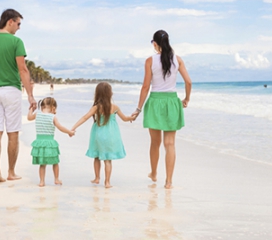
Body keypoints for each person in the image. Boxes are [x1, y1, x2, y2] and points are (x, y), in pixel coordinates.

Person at [0, 9, 37, 183]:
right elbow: (23, 69)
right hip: (11, 91)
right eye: (18, 23)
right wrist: (30, 95)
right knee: (13, 133)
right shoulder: (16, 42)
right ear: (10, 21)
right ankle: (11, 172)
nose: (19, 28)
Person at [131, 30, 192, 189]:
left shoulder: (150, 61)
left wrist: (138, 109)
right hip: (172, 102)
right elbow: (189, 82)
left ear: (155, 43)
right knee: (170, 144)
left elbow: (145, 87)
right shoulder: (178, 60)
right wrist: (186, 99)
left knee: (155, 143)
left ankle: (154, 173)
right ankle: (169, 181)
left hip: (155, 102)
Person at [71, 82, 135, 188]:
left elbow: (85, 117)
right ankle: (107, 182)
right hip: (111, 135)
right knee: (107, 159)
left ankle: (97, 178)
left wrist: (73, 128)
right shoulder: (114, 107)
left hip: (98, 135)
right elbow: (125, 118)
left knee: (96, 156)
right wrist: (131, 118)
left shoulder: (96, 107)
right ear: (110, 94)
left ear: (98, 94)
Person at [27, 97, 74, 187]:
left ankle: (41, 181)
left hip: (40, 143)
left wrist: (31, 109)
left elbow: (29, 117)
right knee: (55, 162)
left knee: (42, 164)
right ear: (53, 107)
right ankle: (56, 179)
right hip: (50, 143)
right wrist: (69, 132)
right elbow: (60, 127)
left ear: (42, 107)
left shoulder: (37, 114)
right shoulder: (53, 117)